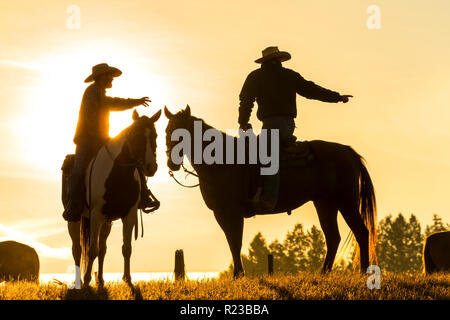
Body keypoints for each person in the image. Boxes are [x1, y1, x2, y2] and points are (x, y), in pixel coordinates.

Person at [238, 46, 353, 211]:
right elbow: (312, 90)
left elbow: (246, 101)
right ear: (278, 60)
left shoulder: (255, 77)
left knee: (264, 152)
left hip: (271, 124)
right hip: (287, 125)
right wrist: (336, 97)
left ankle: (268, 197)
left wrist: (243, 122)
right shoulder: (289, 75)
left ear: (264, 61)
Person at [63, 63, 154, 222]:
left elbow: (117, 103)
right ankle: (73, 206)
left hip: (102, 139)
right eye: (108, 75)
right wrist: (101, 138)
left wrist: (137, 101)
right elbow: (91, 119)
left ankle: (143, 195)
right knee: (77, 171)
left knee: (131, 159)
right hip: (86, 140)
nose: (111, 78)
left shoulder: (101, 94)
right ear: (100, 77)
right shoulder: (91, 92)